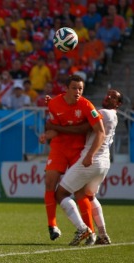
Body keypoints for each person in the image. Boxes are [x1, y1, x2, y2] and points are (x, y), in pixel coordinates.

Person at [39, 74, 104, 241]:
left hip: (78, 150)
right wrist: (46, 135)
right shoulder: (54, 103)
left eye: (80, 88)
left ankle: (90, 232)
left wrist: (91, 155)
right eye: (74, 88)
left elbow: (99, 130)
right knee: (49, 182)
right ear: (66, 89)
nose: (78, 91)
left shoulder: (86, 106)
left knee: (79, 191)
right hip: (59, 147)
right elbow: (55, 129)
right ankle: (52, 226)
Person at [54, 89, 122, 246]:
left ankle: (82, 228)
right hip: (104, 162)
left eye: (113, 97)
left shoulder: (103, 113)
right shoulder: (114, 116)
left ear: (118, 104)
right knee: (89, 196)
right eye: (108, 94)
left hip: (91, 160)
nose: (108, 97)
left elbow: (81, 127)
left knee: (60, 194)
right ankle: (103, 234)